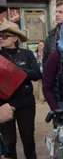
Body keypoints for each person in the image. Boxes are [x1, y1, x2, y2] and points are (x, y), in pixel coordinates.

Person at [0, 19, 42, 159]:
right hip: (4, 104)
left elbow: (36, 74)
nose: (1, 38)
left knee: (28, 140)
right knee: (9, 143)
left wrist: (15, 69)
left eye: (5, 36)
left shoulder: (27, 54)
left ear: (15, 38)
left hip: (26, 103)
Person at [43, 0, 63, 67]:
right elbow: (46, 62)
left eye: (61, 12)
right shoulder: (51, 35)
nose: (57, 14)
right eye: (56, 12)